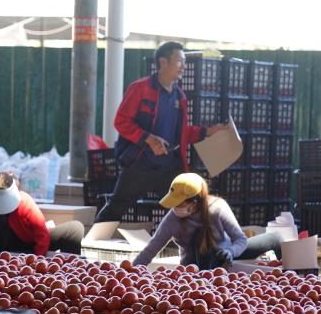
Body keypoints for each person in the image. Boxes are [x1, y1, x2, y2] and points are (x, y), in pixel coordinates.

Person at [91, 41, 227, 226]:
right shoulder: (140, 88)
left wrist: (208, 131)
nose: (184, 66)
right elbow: (121, 121)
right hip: (139, 165)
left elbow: (182, 134)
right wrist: (149, 139)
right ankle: (88, 245)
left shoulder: (180, 96)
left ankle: (192, 250)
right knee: (116, 209)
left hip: (168, 168)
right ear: (163, 62)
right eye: (180, 61)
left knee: (190, 207)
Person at [133, 172, 283, 269]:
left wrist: (230, 251)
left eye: (181, 203)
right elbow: (151, 248)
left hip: (222, 255)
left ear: (195, 202)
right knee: (199, 238)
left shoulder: (217, 209)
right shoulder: (173, 219)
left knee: (276, 238)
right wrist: (130, 272)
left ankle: (290, 275)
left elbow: (240, 239)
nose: (176, 207)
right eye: (174, 204)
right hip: (194, 266)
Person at [0, 171, 84, 256]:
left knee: (75, 229)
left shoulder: (24, 201)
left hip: (28, 245)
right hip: (0, 251)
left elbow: (41, 233)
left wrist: (37, 261)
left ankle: (71, 269)